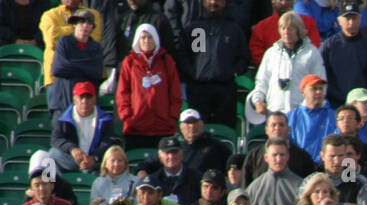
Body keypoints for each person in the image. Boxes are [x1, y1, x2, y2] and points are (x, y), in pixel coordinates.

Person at [175, 0, 249, 128]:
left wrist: (232, 72)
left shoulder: (233, 29)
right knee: (199, 129)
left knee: (225, 129)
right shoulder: (194, 28)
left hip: (225, 89)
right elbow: (183, 56)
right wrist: (193, 73)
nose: (213, 2)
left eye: (218, 0)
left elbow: (243, 57)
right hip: (198, 89)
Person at [250, 12, 327, 117]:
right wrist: (258, 101)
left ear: (299, 30)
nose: (286, 32)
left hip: (303, 113)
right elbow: (262, 81)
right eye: (283, 28)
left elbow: (321, 82)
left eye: (291, 28)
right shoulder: (271, 53)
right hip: (275, 111)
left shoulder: (312, 53)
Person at [117, 24, 181, 149]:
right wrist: (128, 116)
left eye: (150, 37)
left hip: (163, 127)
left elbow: (175, 91)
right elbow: (123, 92)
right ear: (137, 40)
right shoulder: (129, 62)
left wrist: (172, 115)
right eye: (143, 38)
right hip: (136, 127)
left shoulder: (166, 61)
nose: (147, 41)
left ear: (156, 39)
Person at [50, 82, 117, 173]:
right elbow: (56, 139)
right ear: (75, 99)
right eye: (81, 97)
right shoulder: (63, 118)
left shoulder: (105, 119)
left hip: (95, 162)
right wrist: (72, 149)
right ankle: (53, 185)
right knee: (51, 155)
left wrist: (94, 158)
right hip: (71, 159)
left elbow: (109, 141)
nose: (84, 101)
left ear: (94, 99)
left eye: (88, 97)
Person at [321, 3, 367, 109]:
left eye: (354, 18)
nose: (351, 22)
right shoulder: (329, 46)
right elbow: (323, 76)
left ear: (360, 19)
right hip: (337, 106)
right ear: (339, 21)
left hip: (365, 105)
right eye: (347, 18)